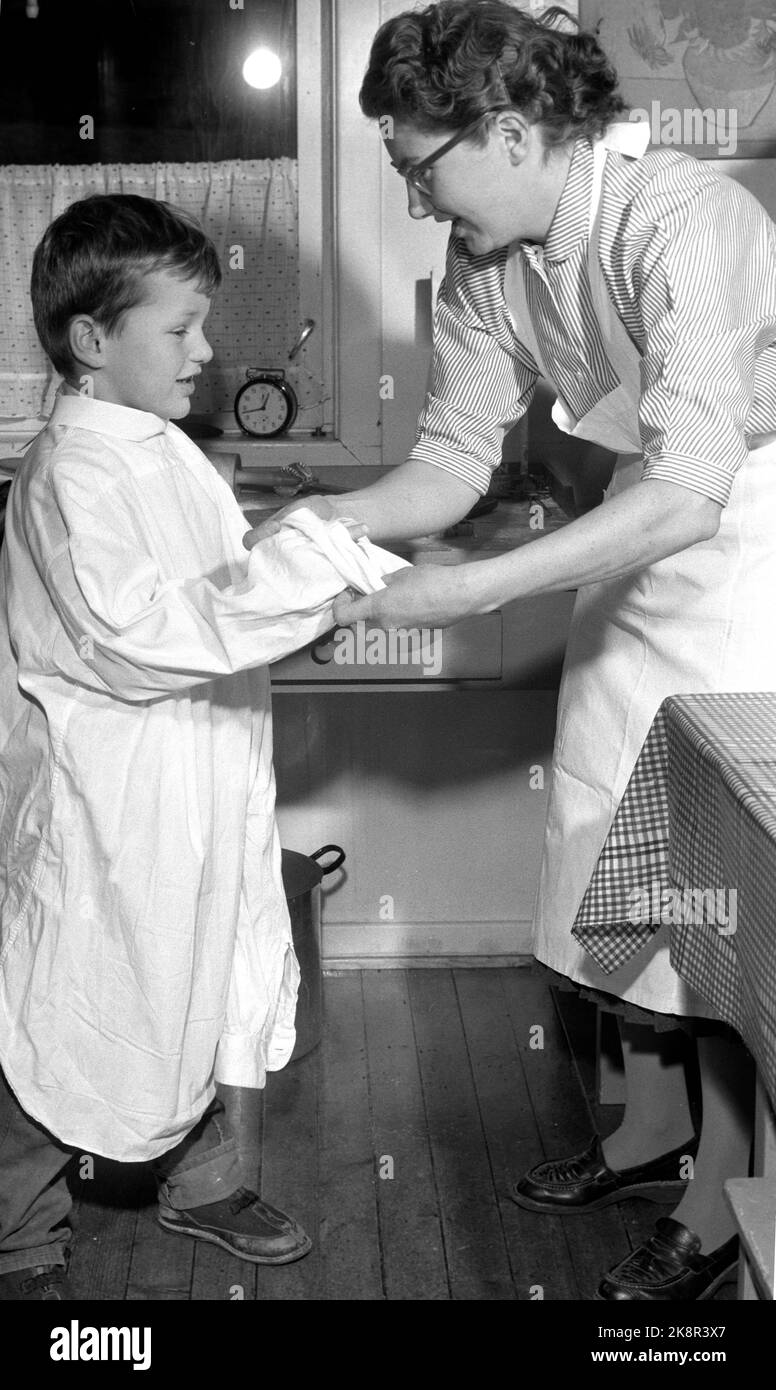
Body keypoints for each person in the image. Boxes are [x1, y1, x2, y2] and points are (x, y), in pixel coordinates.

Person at [245, 1, 776, 1300]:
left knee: (715, 877)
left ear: (513, 129)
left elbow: (701, 483)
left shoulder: (683, 220)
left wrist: (473, 588)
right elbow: (445, 463)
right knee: (604, 837)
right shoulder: (491, 272)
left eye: (423, 170)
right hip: (642, 520)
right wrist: (327, 518)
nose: (418, 204)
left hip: (750, 528)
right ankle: (650, 1134)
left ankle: (718, 1204)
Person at [0, 193, 398, 1300]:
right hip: (111, 804)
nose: (207, 349)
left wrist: (305, 554)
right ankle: (21, 1232)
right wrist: (311, 572)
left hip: (202, 780)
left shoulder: (163, 451)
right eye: (178, 330)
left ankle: (203, 1175)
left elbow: (216, 589)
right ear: (92, 341)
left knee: (205, 967)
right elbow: (141, 636)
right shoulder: (74, 473)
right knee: (63, 1005)